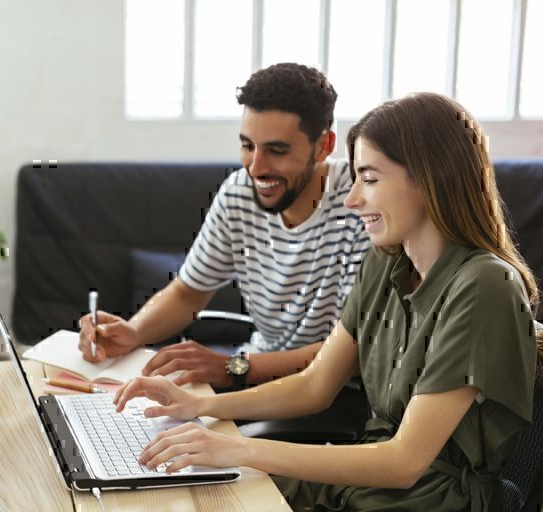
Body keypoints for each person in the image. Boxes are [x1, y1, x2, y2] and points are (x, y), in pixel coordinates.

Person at [112, 92, 543, 511]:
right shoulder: (386, 262)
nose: (353, 198)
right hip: (365, 480)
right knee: (173, 488)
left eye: (370, 179)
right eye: (355, 177)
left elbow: (404, 463)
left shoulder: (484, 285)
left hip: (428, 498)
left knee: (212, 485)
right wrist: (201, 405)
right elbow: (315, 385)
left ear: (431, 179)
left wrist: (237, 449)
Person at [77, 64, 370, 427]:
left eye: (277, 150)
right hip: (251, 372)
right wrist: (133, 332)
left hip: (331, 394)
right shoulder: (238, 193)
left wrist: (233, 368)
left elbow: (351, 351)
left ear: (324, 145)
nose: (256, 168)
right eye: (248, 146)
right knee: (142, 423)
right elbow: (188, 293)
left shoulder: (361, 204)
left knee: (210, 450)